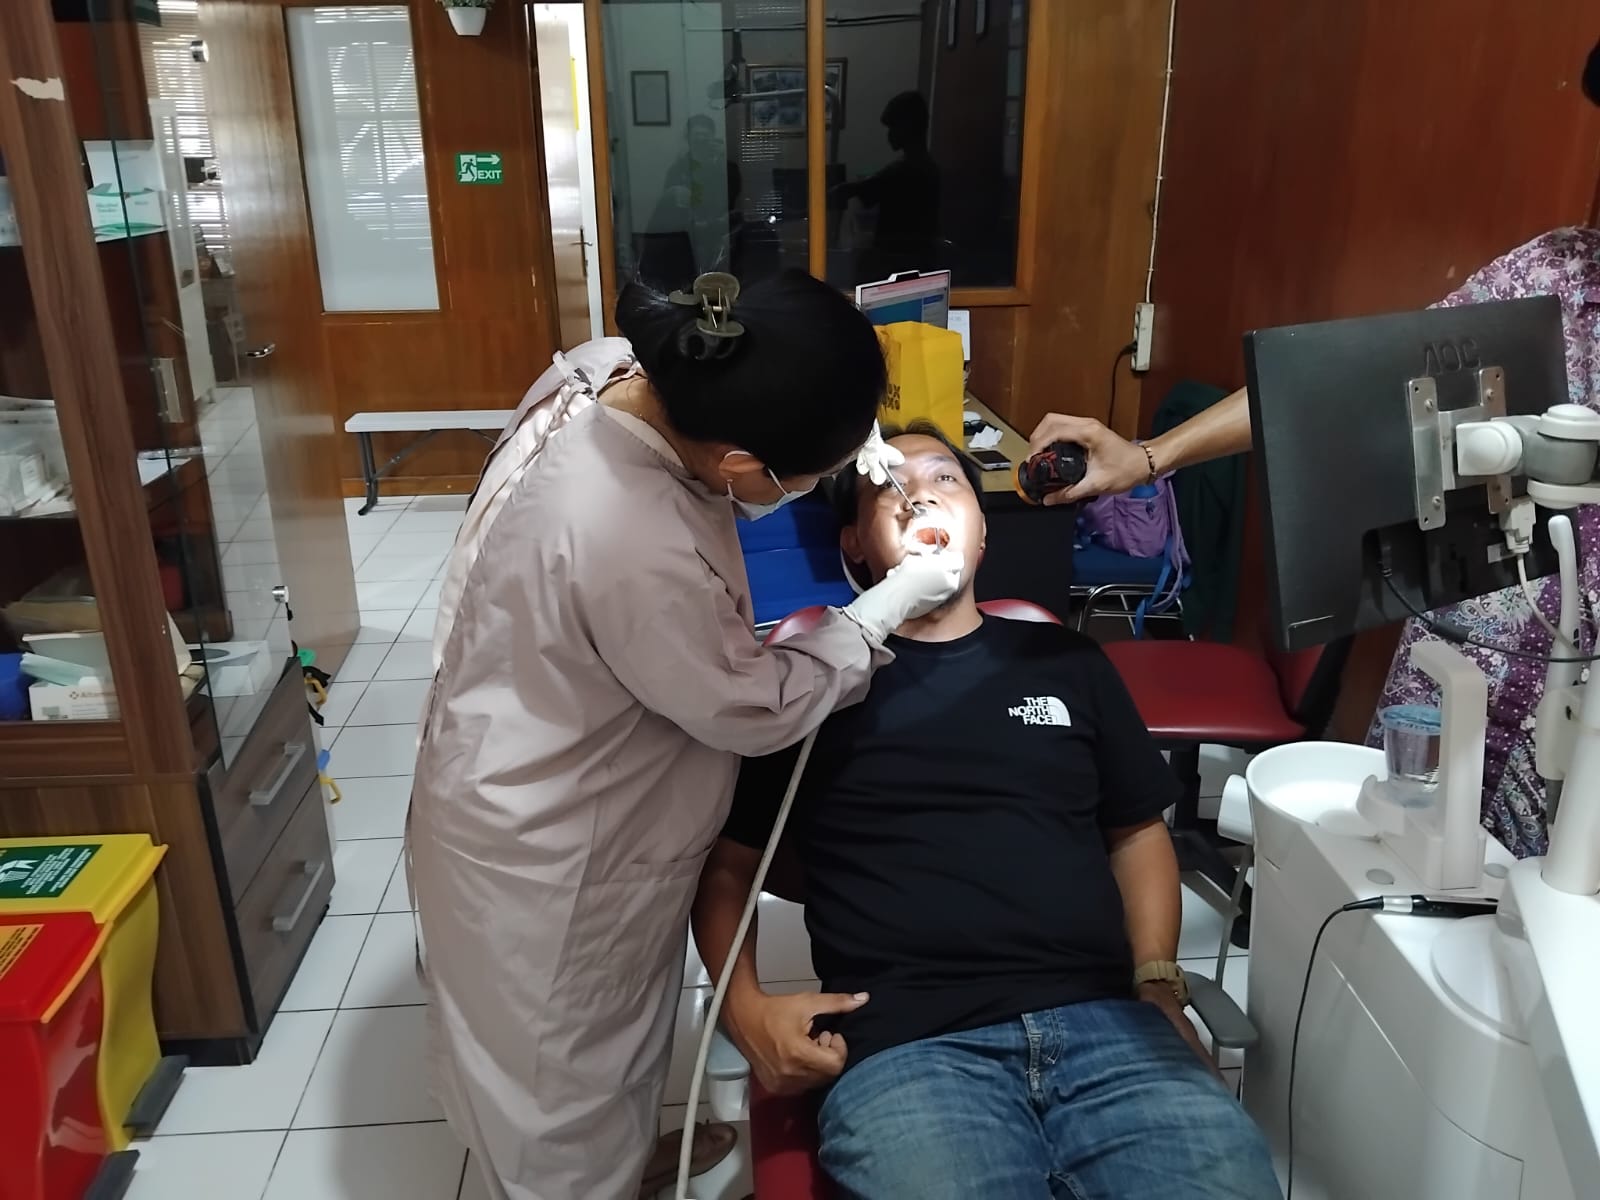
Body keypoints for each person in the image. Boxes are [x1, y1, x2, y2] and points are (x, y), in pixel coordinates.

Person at [409, 271, 965, 1200]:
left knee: (610, 1048)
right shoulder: (629, 539)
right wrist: (882, 609)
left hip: (517, 737)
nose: (915, 497)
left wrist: (844, 428)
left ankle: (618, 1163)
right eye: (811, 477)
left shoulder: (623, 370)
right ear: (740, 462)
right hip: (551, 849)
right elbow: (753, 706)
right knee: (559, 1089)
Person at [692, 423, 1281, 1200]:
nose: (921, 494)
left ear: (982, 532)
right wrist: (745, 1013)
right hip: (910, 1052)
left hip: (1111, 1029)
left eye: (946, 479)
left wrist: (1159, 983)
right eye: (891, 485)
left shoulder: (1067, 663)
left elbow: (1137, 832)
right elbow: (726, 869)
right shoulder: (807, 687)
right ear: (854, 545)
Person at [831, 91, 941, 279]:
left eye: (893, 127)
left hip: (899, 264)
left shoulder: (905, 170)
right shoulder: (927, 166)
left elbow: (855, 190)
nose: (889, 135)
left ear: (908, 126)